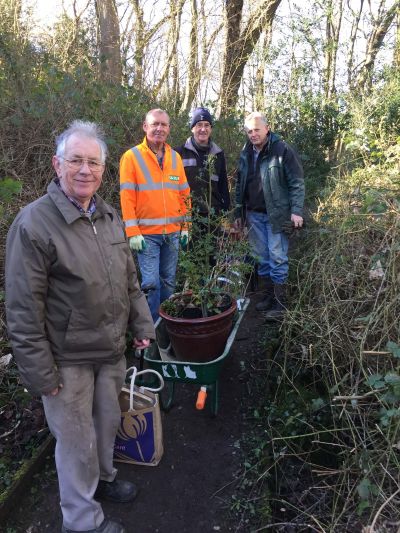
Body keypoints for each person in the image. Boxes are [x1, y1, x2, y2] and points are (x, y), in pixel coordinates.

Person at [5, 120, 155, 533]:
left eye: (93, 162)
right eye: (76, 160)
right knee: (76, 443)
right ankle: (82, 521)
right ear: (57, 164)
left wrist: (142, 323)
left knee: (106, 425)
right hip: (65, 360)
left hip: (109, 351)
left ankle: (102, 481)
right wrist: (40, 373)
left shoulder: (108, 217)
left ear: (104, 170)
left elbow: (129, 281)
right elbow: (22, 309)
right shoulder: (34, 224)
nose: (85, 170)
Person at [120, 108, 190, 322]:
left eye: (163, 124)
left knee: (168, 281)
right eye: (155, 124)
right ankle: (151, 332)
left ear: (169, 128)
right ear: (145, 127)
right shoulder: (131, 157)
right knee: (151, 284)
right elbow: (127, 197)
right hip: (146, 236)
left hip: (172, 234)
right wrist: (132, 232)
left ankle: (168, 326)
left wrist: (186, 227)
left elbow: (184, 195)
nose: (159, 128)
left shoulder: (176, 158)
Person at [234, 112, 305, 320]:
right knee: (261, 258)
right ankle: (267, 297)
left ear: (267, 128)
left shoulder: (281, 150)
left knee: (277, 257)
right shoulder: (246, 152)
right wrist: (239, 211)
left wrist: (296, 212)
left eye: (256, 129)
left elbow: (297, 182)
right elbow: (240, 184)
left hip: (278, 215)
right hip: (254, 215)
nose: (253, 134)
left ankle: (280, 304)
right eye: (249, 131)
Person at [175, 106, 230, 217]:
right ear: (192, 128)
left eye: (207, 125)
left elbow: (223, 184)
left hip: (212, 217)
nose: (203, 129)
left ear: (211, 128)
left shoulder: (218, 154)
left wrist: (225, 210)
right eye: (199, 125)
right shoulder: (178, 153)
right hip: (186, 214)